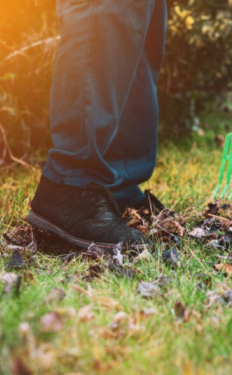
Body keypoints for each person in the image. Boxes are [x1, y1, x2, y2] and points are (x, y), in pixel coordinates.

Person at [28, 0, 167, 250]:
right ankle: (72, 183)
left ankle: (116, 182)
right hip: (72, 181)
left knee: (138, 24)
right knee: (105, 9)